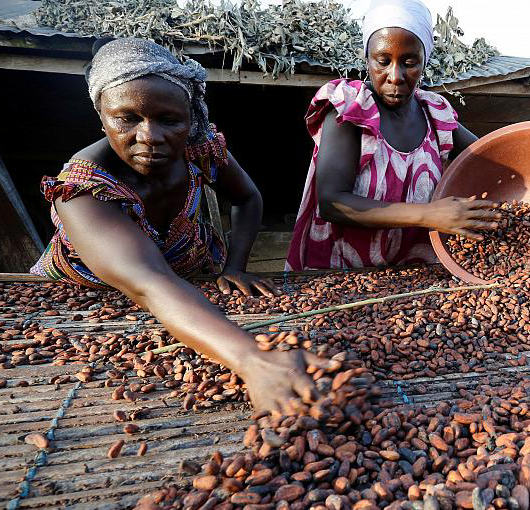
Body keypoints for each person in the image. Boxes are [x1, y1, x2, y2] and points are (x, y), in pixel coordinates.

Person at [30, 38, 320, 414]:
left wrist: (235, 265)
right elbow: (148, 282)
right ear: (101, 116)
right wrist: (253, 359)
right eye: (127, 118)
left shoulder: (200, 148)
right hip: (89, 303)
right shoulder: (81, 190)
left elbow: (248, 198)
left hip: (186, 287)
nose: (150, 137)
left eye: (169, 120)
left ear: (190, 118)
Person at [286, 0, 530, 270]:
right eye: (383, 61)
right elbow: (332, 203)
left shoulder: (434, 113)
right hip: (343, 277)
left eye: (409, 63)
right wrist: (429, 214)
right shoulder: (350, 109)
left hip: (416, 278)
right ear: (367, 59)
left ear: (424, 62)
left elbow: (498, 156)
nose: (395, 76)